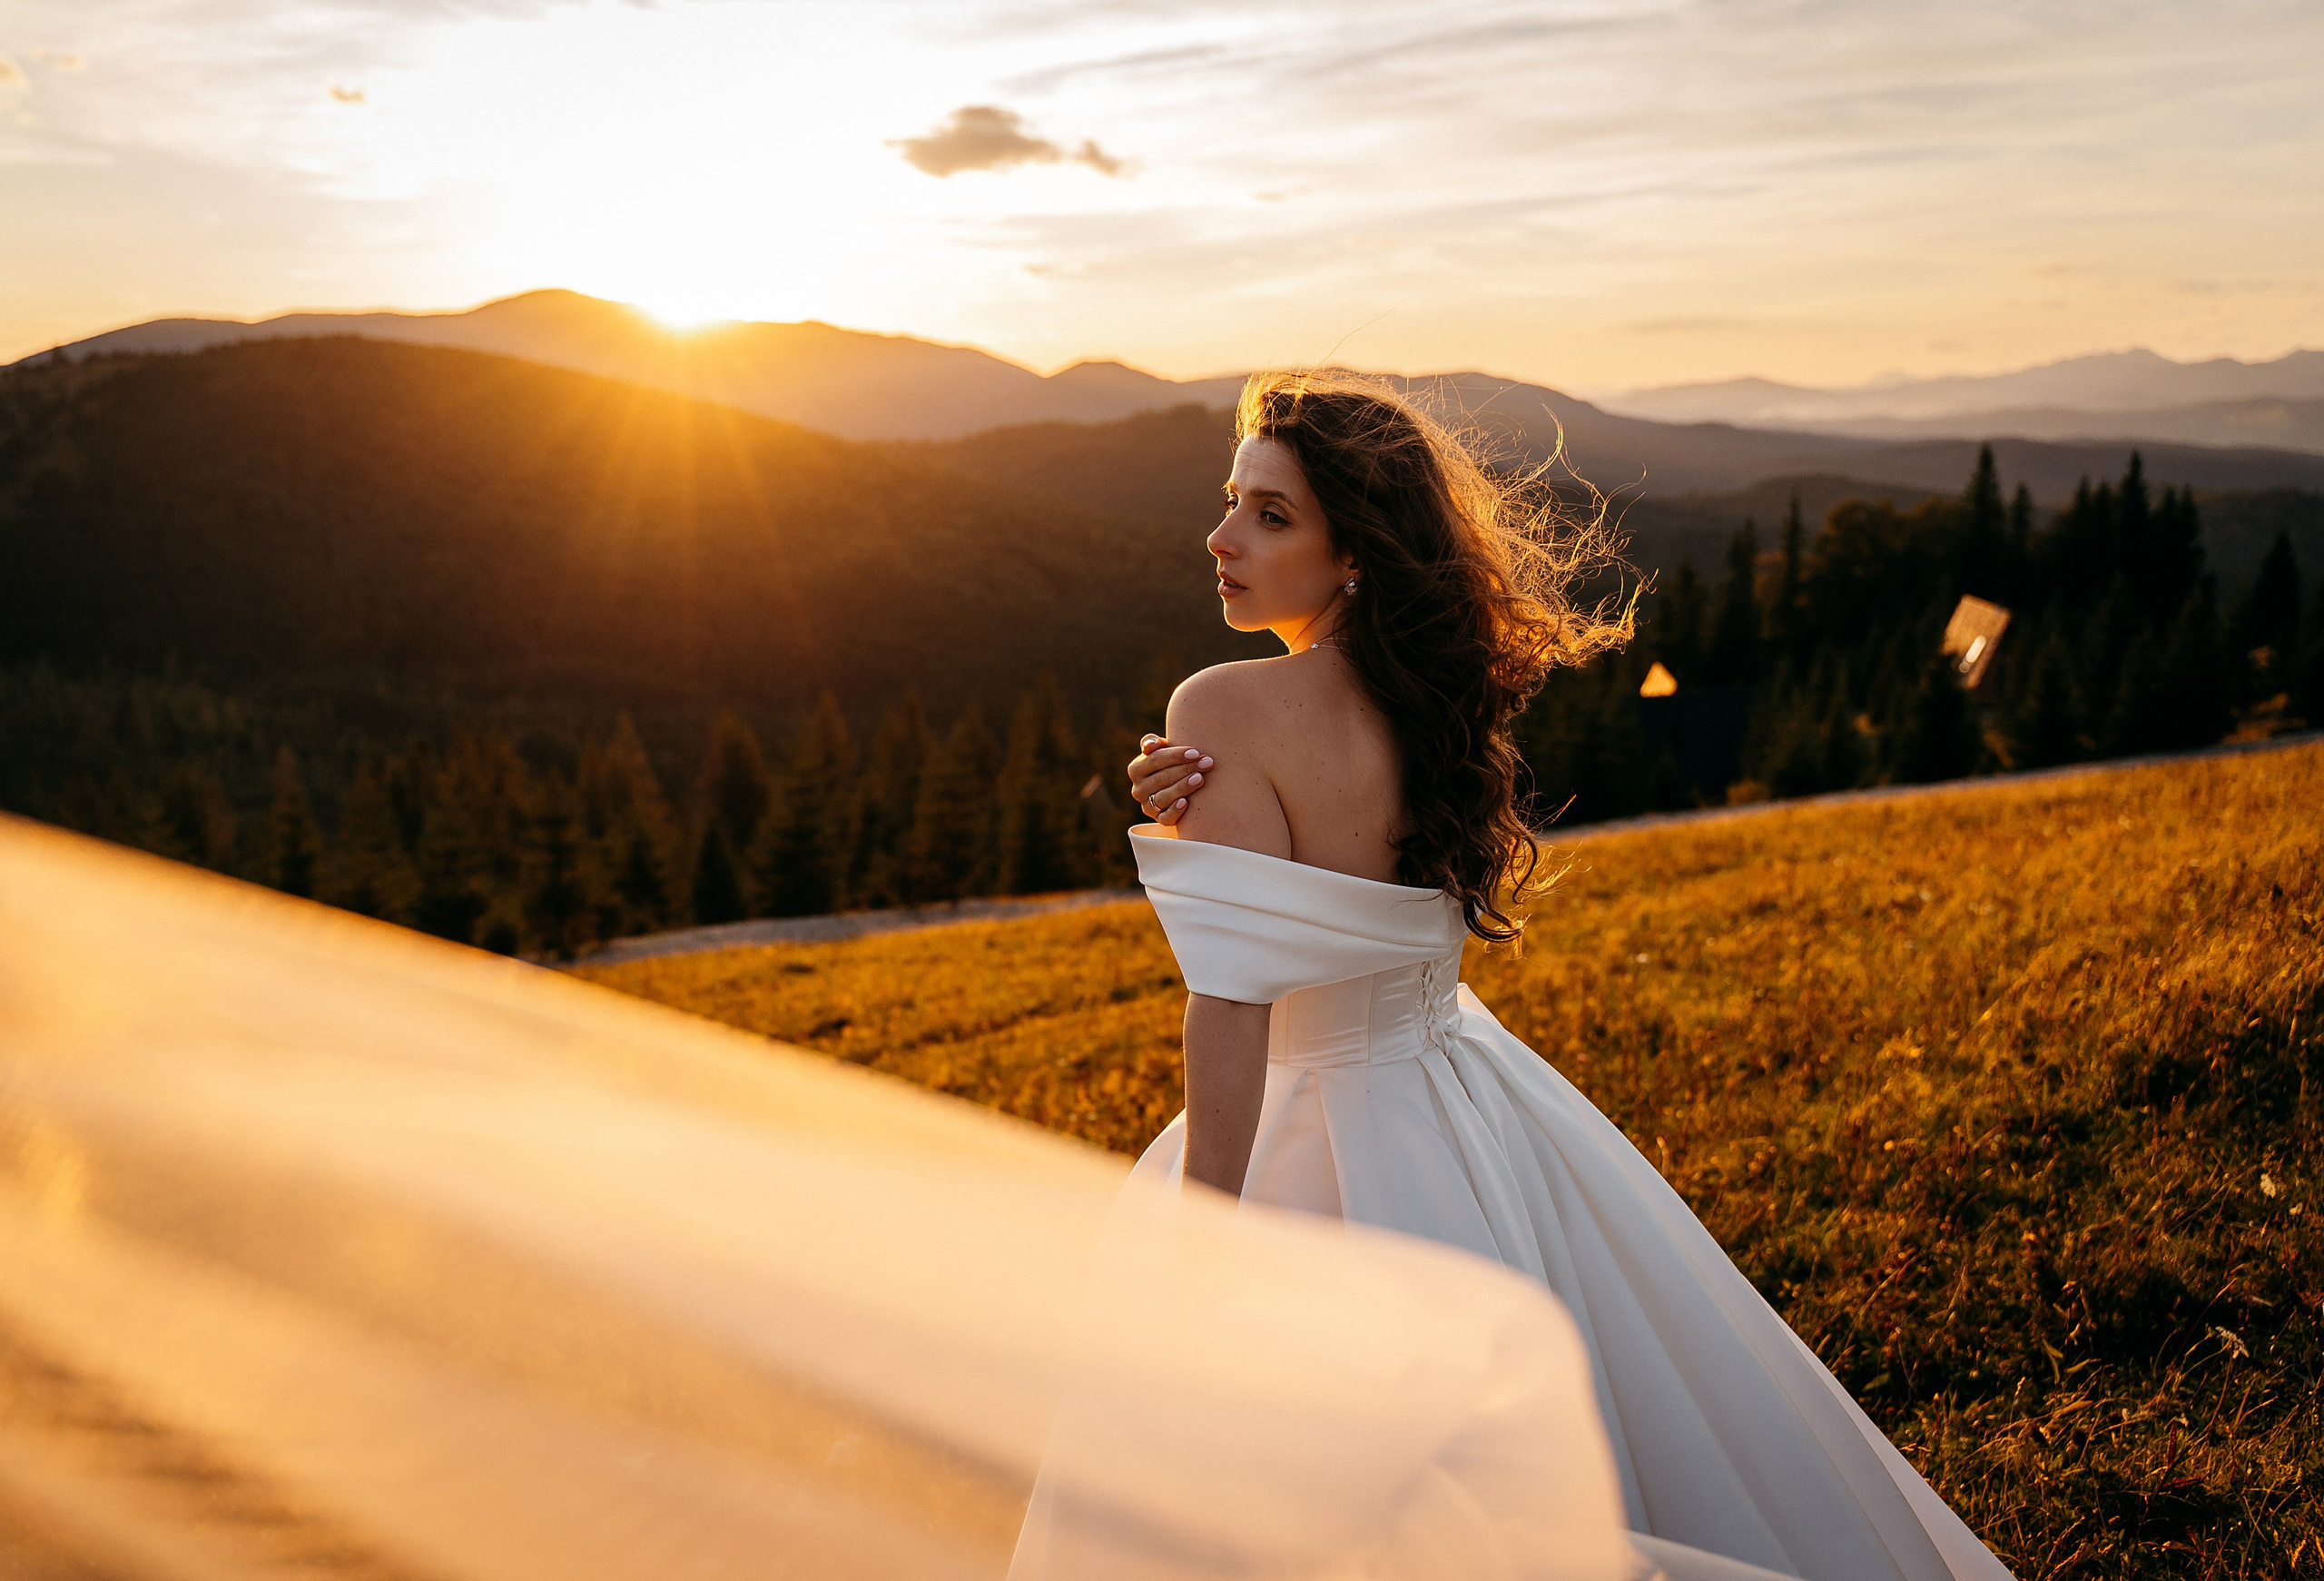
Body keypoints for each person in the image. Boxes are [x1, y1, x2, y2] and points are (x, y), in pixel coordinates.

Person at [1100, 371, 2013, 1581]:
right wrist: (1201, 822)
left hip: (1316, 1134)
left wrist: (1205, 1233)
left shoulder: (1221, 703)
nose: (1222, 537)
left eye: (1272, 515)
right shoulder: (1429, 700)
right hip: (1469, 1114)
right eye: (1231, 502)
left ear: (1356, 552)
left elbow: (1231, 999)